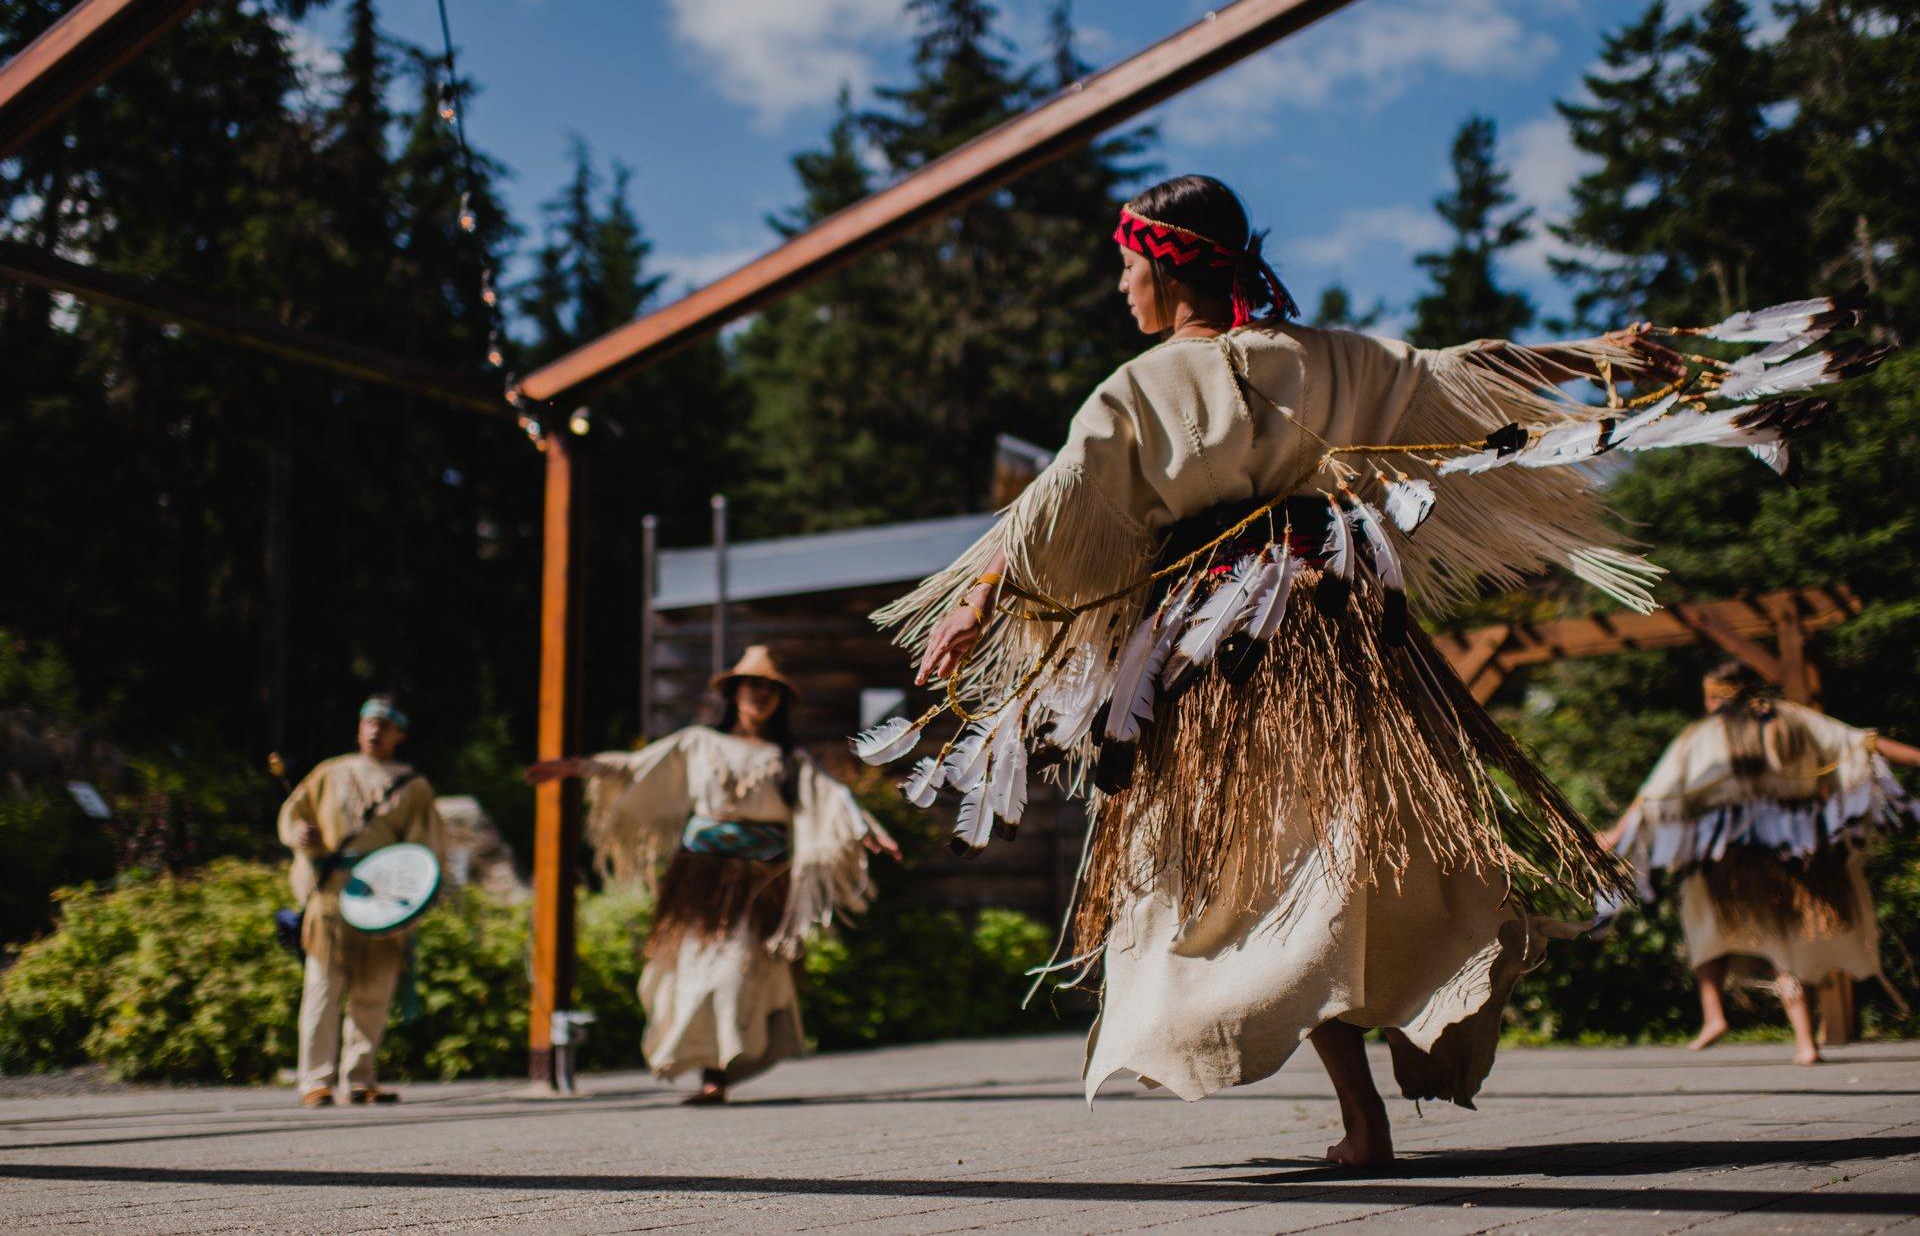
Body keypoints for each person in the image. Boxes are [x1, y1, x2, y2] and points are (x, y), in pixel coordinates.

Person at [867, 172, 1810, 1168]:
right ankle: (1395, 1059)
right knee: (1356, 852)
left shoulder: (1136, 391)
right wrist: (1594, 354)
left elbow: (1055, 508)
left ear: (1169, 264)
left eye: (1128, 263)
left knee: (1277, 868)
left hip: (1224, 662)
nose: (1120, 285)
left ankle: (1367, 1107)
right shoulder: (1332, 360)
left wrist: (977, 600)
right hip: (1342, 643)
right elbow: (1460, 375)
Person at [525, 646, 900, 1105]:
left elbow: (833, 800)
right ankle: (709, 1067)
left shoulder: (789, 758)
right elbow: (636, 767)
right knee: (692, 970)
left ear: (780, 701)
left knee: (735, 973)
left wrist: (863, 832)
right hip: (699, 880)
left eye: (770, 690)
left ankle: (717, 1072)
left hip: (759, 884)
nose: (760, 697)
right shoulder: (697, 742)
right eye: (752, 687)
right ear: (734, 693)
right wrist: (577, 767)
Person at [1600, 662, 1920, 1064]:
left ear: (1715, 695)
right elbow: (1862, 744)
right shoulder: (1792, 719)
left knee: (1707, 926)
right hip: (1800, 844)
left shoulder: (1701, 735)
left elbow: (1654, 795)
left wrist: (1616, 835)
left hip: (1729, 850)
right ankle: (1805, 1041)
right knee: (1789, 941)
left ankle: (1716, 1016)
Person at [278, 694, 445, 1108]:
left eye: (385, 726)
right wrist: (299, 832)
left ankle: (359, 1077)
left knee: (374, 993)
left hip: (384, 900)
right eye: (369, 722)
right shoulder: (329, 773)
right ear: (358, 727)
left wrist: (414, 898)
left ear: (399, 735)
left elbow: (426, 849)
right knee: (321, 988)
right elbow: (294, 813)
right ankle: (315, 1080)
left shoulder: (414, 786)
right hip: (331, 896)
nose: (374, 731)